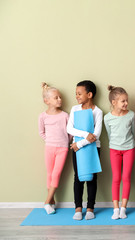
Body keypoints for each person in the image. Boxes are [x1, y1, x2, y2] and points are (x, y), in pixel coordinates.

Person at [66, 80, 103, 220]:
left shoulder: (98, 112)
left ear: (89, 94)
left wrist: (79, 144)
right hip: (77, 148)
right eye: (76, 94)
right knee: (78, 177)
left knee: (92, 178)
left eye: (79, 94)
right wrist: (84, 135)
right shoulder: (75, 109)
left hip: (92, 148)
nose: (77, 96)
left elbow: (96, 135)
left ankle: (90, 208)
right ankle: (78, 208)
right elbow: (69, 128)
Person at [104, 85, 135, 220]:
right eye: (123, 101)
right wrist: (116, 145)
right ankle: (115, 208)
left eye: (126, 100)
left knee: (126, 177)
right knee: (116, 178)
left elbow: (133, 132)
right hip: (114, 149)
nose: (126, 103)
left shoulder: (131, 115)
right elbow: (109, 134)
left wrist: (128, 145)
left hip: (129, 149)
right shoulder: (107, 118)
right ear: (114, 102)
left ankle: (123, 208)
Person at [38, 82, 70, 214]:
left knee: (56, 174)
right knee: (50, 174)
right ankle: (51, 202)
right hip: (49, 148)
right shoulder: (42, 116)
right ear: (47, 101)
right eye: (56, 97)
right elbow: (42, 132)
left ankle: (46, 202)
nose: (60, 99)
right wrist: (50, 141)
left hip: (63, 148)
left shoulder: (65, 116)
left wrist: (65, 143)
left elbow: (70, 133)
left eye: (60, 97)